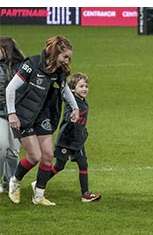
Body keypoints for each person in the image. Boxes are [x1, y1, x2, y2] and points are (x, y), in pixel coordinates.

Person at [6, 36, 79, 206]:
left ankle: (39, 196)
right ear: (55, 54)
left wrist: (74, 107)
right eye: (65, 56)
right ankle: (14, 182)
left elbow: (64, 89)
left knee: (47, 156)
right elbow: (11, 88)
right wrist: (12, 114)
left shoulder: (59, 71)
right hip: (23, 114)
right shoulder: (31, 63)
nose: (68, 60)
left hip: (43, 115)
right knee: (34, 156)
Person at [46, 72, 101, 202]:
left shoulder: (84, 102)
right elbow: (67, 116)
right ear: (72, 89)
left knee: (83, 164)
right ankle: (39, 183)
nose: (85, 89)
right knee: (59, 166)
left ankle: (85, 194)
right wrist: (71, 119)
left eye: (86, 86)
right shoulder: (72, 103)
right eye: (81, 86)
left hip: (78, 141)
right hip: (66, 140)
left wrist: (83, 132)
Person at [0, 37, 25, 193]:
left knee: (14, 152)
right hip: (0, 112)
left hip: (16, 114)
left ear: (6, 49)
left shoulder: (22, 68)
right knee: (1, 146)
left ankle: (10, 182)